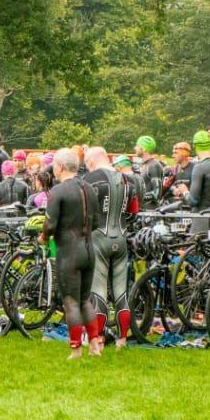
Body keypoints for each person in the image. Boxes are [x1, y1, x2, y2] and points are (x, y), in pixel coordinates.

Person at [42, 149, 95, 359]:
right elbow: (97, 221)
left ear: (60, 167)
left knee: (71, 301)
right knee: (85, 300)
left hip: (69, 250)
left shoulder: (59, 191)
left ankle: (76, 349)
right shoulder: (89, 188)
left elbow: (50, 223)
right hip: (89, 248)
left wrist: (44, 237)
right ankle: (95, 344)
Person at [82, 147, 137, 349]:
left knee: (98, 293)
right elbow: (134, 211)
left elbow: (84, 211)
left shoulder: (90, 178)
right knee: (121, 292)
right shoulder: (128, 180)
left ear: (91, 161)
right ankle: (122, 339)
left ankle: (98, 340)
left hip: (98, 238)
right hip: (121, 238)